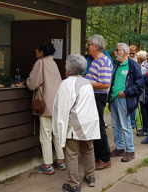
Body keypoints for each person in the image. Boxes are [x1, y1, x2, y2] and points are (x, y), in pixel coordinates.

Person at [52, 54, 100, 192]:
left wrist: (59, 129)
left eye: (66, 65)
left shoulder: (66, 84)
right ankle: (90, 177)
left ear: (69, 69)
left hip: (74, 125)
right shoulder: (87, 83)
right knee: (88, 150)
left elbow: (61, 108)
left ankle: (74, 185)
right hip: (89, 124)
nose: (65, 67)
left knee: (71, 154)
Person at [26, 40, 65, 175]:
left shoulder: (40, 63)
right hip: (56, 104)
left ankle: (47, 165)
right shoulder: (53, 63)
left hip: (45, 105)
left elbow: (33, 83)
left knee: (45, 135)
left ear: (41, 52)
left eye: (37, 50)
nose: (35, 52)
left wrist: (26, 81)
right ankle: (60, 160)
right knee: (56, 133)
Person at [108, 43, 144, 162]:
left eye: (117, 50)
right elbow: (114, 82)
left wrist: (126, 92)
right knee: (116, 125)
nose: (115, 52)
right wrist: (110, 99)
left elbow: (139, 85)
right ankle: (119, 148)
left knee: (125, 125)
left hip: (124, 99)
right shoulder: (118, 65)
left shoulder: (133, 66)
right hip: (114, 99)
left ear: (123, 51)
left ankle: (130, 150)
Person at [84, 34, 113, 170]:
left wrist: (86, 83)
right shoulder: (92, 61)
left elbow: (105, 84)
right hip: (91, 96)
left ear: (96, 46)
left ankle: (105, 159)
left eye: (89, 44)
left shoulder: (104, 61)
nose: (87, 47)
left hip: (98, 98)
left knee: (99, 127)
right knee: (93, 127)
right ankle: (97, 155)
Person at [136, 51, 148, 137]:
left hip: (143, 92)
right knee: (144, 111)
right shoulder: (146, 65)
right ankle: (146, 128)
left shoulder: (143, 67)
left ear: (140, 59)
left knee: (144, 111)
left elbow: (141, 79)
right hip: (145, 92)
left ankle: (146, 129)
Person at [129, 45, 139, 129]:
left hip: (135, 84)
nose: (131, 55)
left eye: (133, 53)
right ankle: (128, 120)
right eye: (130, 53)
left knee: (134, 103)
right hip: (128, 84)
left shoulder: (137, 62)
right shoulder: (126, 60)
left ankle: (133, 121)